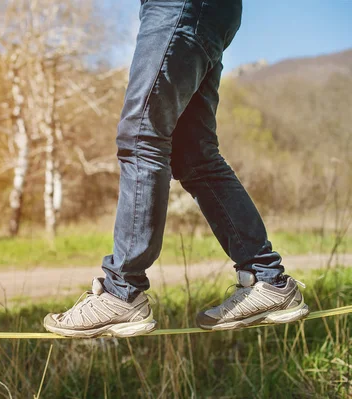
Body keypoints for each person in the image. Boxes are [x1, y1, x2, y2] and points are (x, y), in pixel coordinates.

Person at [43, 0, 309, 338]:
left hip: (179, 7)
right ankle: (267, 280)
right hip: (208, 11)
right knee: (194, 155)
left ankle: (122, 292)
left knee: (141, 135)